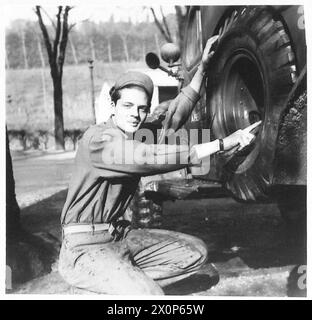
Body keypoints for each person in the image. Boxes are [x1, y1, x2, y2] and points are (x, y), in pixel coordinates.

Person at [58, 36, 259, 295]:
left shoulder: (135, 131)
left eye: (142, 108)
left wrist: (204, 67)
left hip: (119, 239)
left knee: (195, 254)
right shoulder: (100, 139)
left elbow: (176, 111)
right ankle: (109, 286)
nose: (135, 114)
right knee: (150, 296)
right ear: (112, 105)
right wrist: (221, 144)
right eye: (127, 105)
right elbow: (147, 157)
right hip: (85, 249)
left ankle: (117, 282)